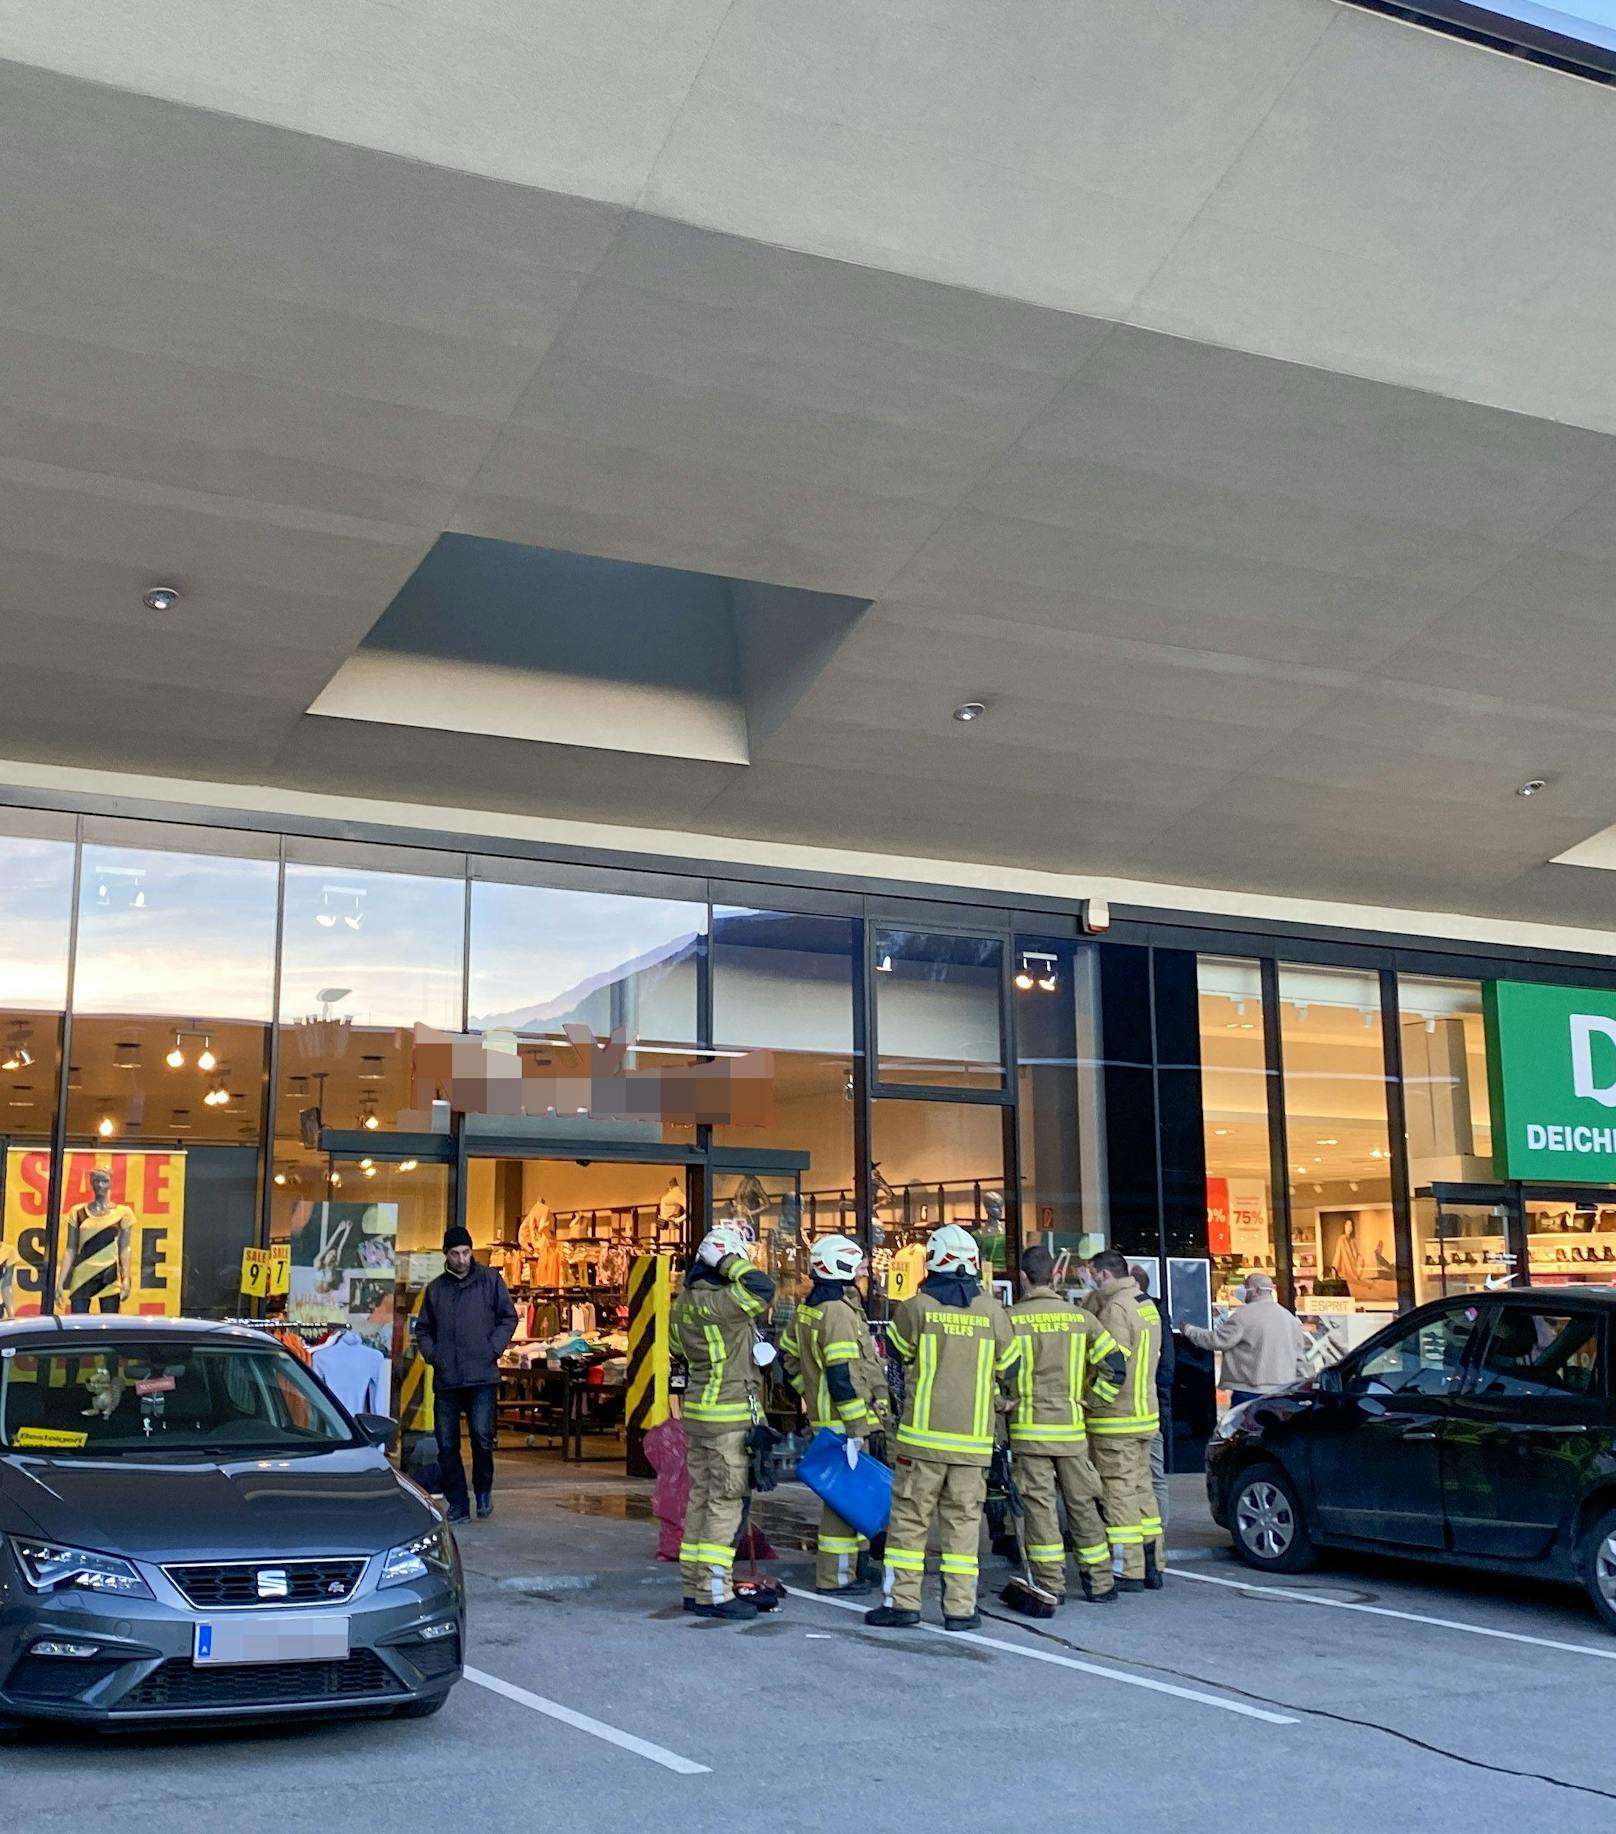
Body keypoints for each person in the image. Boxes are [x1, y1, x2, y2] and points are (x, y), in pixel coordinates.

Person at [866, 1224, 1021, 1633]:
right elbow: (1014, 1372)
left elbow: (896, 1360)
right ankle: (960, 1609)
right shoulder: (993, 1313)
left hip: (921, 1442)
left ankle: (903, 1603)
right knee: (963, 1527)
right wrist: (1003, 1404)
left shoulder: (915, 1308)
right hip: (971, 1443)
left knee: (910, 1524)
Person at [669, 1222, 776, 1620]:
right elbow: (763, 1288)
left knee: (701, 1500)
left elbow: (681, 1350)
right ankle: (716, 1593)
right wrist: (730, 1262)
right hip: (729, 1417)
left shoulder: (683, 1304)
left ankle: (694, 1588)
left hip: (698, 1415)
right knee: (726, 1506)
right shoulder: (728, 1300)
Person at [1009, 1245, 1125, 1604]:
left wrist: (1003, 1402)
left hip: (1029, 1432)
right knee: (1083, 1505)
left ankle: (1050, 1583)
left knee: (1040, 1509)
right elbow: (1117, 1366)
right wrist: (1094, 1400)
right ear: (1056, 1277)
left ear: (1024, 1279)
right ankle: (1100, 1582)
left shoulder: (1010, 1320)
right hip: (1072, 1431)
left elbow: (997, 1372)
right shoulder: (1081, 1319)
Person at [781, 1232, 891, 1596]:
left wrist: (808, 1394)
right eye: (858, 1263)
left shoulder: (810, 1309)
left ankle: (855, 1568)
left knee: (849, 1497)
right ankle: (837, 1576)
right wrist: (858, 1425)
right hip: (845, 1424)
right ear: (841, 1265)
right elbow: (843, 1376)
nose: (863, 1270)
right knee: (843, 1504)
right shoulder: (837, 1313)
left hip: (828, 1420)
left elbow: (789, 1358)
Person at [415, 1225, 517, 1524]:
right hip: (447, 1377)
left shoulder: (490, 1280)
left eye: (466, 1252)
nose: (462, 1259)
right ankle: (458, 1502)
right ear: (446, 1255)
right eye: (456, 1253)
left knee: (482, 1438)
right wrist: (434, 1356)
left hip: (481, 1374)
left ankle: (483, 1490)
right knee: (447, 1444)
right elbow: (423, 1328)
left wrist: (492, 1348)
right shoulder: (435, 1289)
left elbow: (508, 1316)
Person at [1082, 1247, 1164, 1593]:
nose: (1088, 1282)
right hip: (1145, 1413)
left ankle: (1127, 1568)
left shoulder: (1115, 1309)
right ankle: (1153, 1563)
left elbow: (1112, 1365)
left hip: (1116, 1418)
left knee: (1118, 1494)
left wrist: (1092, 1401)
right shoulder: (1144, 1303)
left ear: (1104, 1274)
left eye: (1090, 1275)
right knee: (1141, 1489)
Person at [1178, 1270, 1309, 1406]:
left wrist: (1189, 1330)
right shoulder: (1288, 1318)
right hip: (1282, 1389)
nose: (1242, 1290)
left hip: (1249, 1390)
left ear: (1256, 1291)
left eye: (1246, 1286)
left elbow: (1217, 1340)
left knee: (1243, 1425)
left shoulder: (1243, 1316)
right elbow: (1299, 1356)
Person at [1131, 1263, 1174, 1541]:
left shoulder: (1150, 1314)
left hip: (1148, 1405)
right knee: (1151, 1475)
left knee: (1152, 1474)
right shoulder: (1158, 1313)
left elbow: (1165, 1366)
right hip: (1152, 1403)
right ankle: (1155, 1533)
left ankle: (1156, 1534)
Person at [57, 1166, 135, 1314]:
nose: (100, 1185)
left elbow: (125, 1248)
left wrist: (126, 1277)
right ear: (91, 1183)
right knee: (78, 1324)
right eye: (96, 1180)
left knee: (109, 1325)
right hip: (82, 1274)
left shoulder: (123, 1213)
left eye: (104, 1181)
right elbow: (70, 1248)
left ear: (111, 1182)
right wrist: (60, 1281)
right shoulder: (78, 1212)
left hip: (109, 1275)